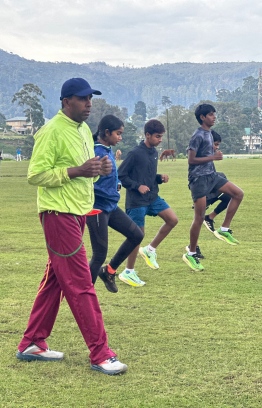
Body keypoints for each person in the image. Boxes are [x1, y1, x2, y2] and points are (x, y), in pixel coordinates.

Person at [16, 78, 127, 376]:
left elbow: (81, 175)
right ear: (66, 101)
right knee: (80, 284)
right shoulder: (51, 131)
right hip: (58, 215)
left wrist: (95, 171)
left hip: (77, 213)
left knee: (55, 280)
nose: (89, 103)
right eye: (82, 98)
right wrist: (77, 170)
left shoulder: (80, 131)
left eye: (90, 97)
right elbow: (36, 174)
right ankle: (100, 353)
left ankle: (32, 342)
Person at [86, 115, 144, 292]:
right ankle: (83, 295)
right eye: (118, 133)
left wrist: (115, 185)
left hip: (111, 206)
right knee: (99, 254)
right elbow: (88, 179)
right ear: (106, 132)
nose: (120, 137)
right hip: (97, 208)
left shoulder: (106, 149)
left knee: (136, 235)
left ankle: (109, 271)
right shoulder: (95, 152)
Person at [183, 104, 244, 272]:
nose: (214, 117)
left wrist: (212, 158)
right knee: (199, 217)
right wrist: (213, 157)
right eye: (210, 114)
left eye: (214, 114)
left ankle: (224, 229)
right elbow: (191, 160)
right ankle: (191, 252)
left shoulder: (209, 133)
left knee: (238, 194)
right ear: (202, 117)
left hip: (212, 176)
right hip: (199, 179)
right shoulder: (197, 135)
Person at [118, 119, 178, 285]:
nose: (160, 140)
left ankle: (149, 250)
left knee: (172, 219)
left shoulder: (153, 153)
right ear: (147, 135)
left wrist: (159, 178)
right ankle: (128, 272)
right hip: (137, 202)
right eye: (157, 136)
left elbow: (148, 176)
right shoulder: (135, 153)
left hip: (152, 197)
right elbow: (120, 175)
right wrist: (137, 186)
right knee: (137, 236)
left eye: (161, 137)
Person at [186, 130, 231, 259]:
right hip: (202, 192)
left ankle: (210, 218)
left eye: (218, 145)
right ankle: (193, 248)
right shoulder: (200, 152)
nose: (216, 148)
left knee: (230, 196)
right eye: (215, 144)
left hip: (210, 190)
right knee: (197, 221)